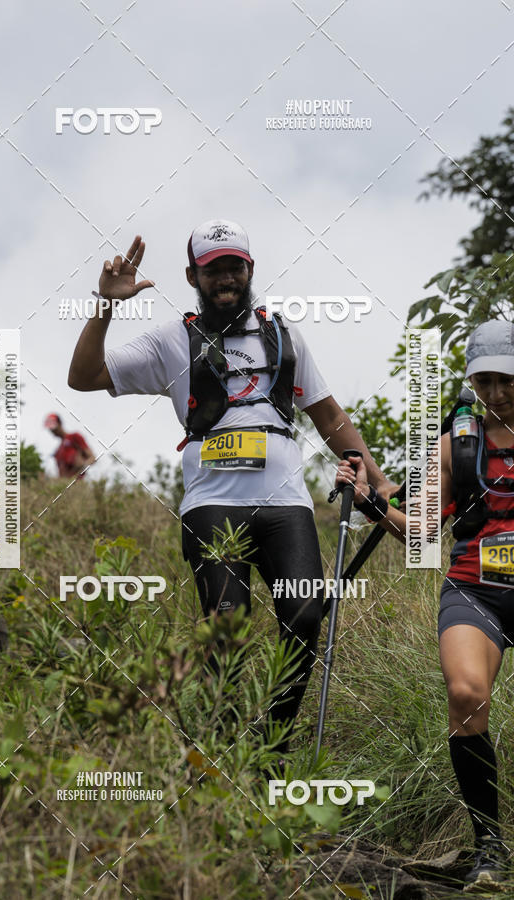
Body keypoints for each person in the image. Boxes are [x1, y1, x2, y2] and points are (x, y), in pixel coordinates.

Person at [68, 220, 397, 760]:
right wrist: (105, 305)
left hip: (286, 504)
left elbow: (328, 415)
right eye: (213, 269)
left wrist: (379, 481)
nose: (225, 278)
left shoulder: (283, 335)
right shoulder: (171, 340)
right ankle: (218, 758)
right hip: (212, 505)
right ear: (192, 276)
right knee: (227, 628)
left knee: (305, 615)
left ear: (250, 269)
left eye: (234, 267)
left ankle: (270, 753)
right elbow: (84, 377)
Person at [335, 320, 514, 893]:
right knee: (465, 694)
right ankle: (489, 846)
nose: (497, 393)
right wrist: (369, 502)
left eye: (507, 379)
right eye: (485, 382)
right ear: (472, 383)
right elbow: (420, 534)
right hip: (474, 589)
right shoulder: (456, 444)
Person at [44, 413, 96, 478]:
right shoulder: (58, 451)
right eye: (50, 429)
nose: (52, 431)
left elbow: (92, 458)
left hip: (79, 481)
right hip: (65, 482)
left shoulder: (74, 437)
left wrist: (82, 465)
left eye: (53, 427)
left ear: (60, 424)